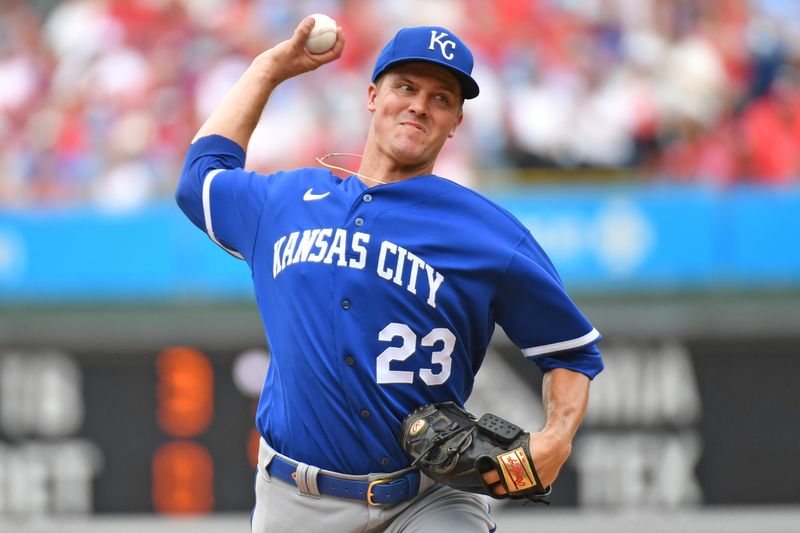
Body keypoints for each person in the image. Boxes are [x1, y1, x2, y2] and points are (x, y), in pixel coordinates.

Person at [176, 17, 603, 533]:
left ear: (455, 122)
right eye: (406, 87)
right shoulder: (285, 202)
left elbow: (570, 350)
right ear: (373, 96)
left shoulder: (487, 233)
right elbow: (200, 176)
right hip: (294, 501)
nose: (420, 105)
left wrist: (556, 437)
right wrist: (268, 69)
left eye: (441, 97)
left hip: (426, 500)